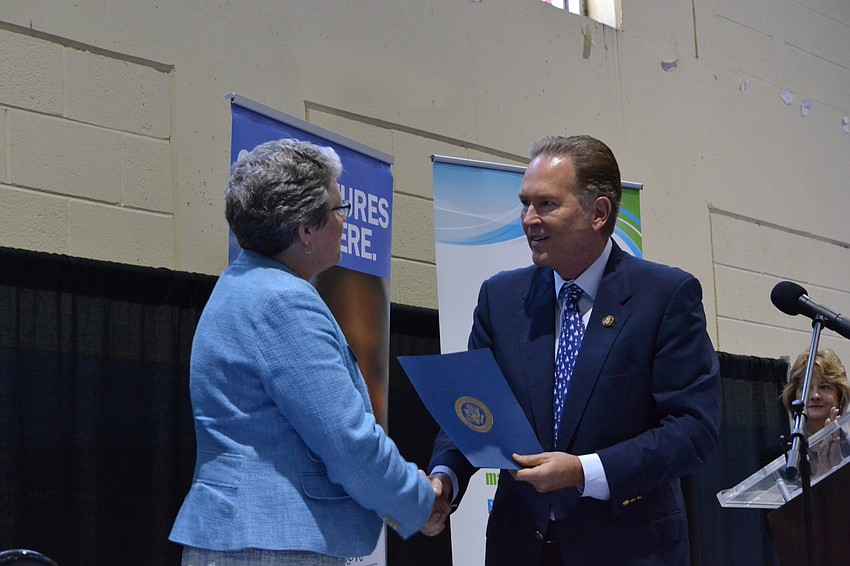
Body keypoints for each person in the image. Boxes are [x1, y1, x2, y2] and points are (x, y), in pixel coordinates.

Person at [426, 135, 721, 565]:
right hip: (519, 548)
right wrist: (444, 480)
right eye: (525, 203)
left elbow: (694, 429)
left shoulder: (665, 296)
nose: (528, 220)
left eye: (546, 204)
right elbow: (473, 411)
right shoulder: (501, 298)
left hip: (628, 549)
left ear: (599, 212)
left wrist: (584, 472)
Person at [169, 139, 446, 565]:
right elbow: (349, 445)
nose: (344, 222)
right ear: (306, 230)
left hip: (244, 538)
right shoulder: (284, 302)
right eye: (340, 210)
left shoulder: (237, 286)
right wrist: (418, 500)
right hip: (274, 546)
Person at [781, 348, 850, 477]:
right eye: (806, 388)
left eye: (824, 387)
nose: (815, 395)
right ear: (794, 397)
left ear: (839, 397)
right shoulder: (783, 459)